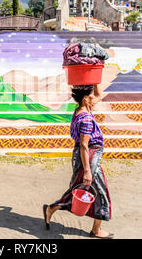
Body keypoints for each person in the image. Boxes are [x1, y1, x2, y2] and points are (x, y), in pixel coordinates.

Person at [43, 84, 113, 239]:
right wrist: (87, 170)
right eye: (91, 96)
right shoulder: (86, 118)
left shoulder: (81, 110)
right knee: (98, 191)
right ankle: (95, 230)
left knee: (79, 188)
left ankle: (52, 208)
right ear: (85, 98)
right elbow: (84, 145)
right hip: (88, 157)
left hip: (87, 156)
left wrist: (94, 81)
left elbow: (98, 95)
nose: (95, 98)